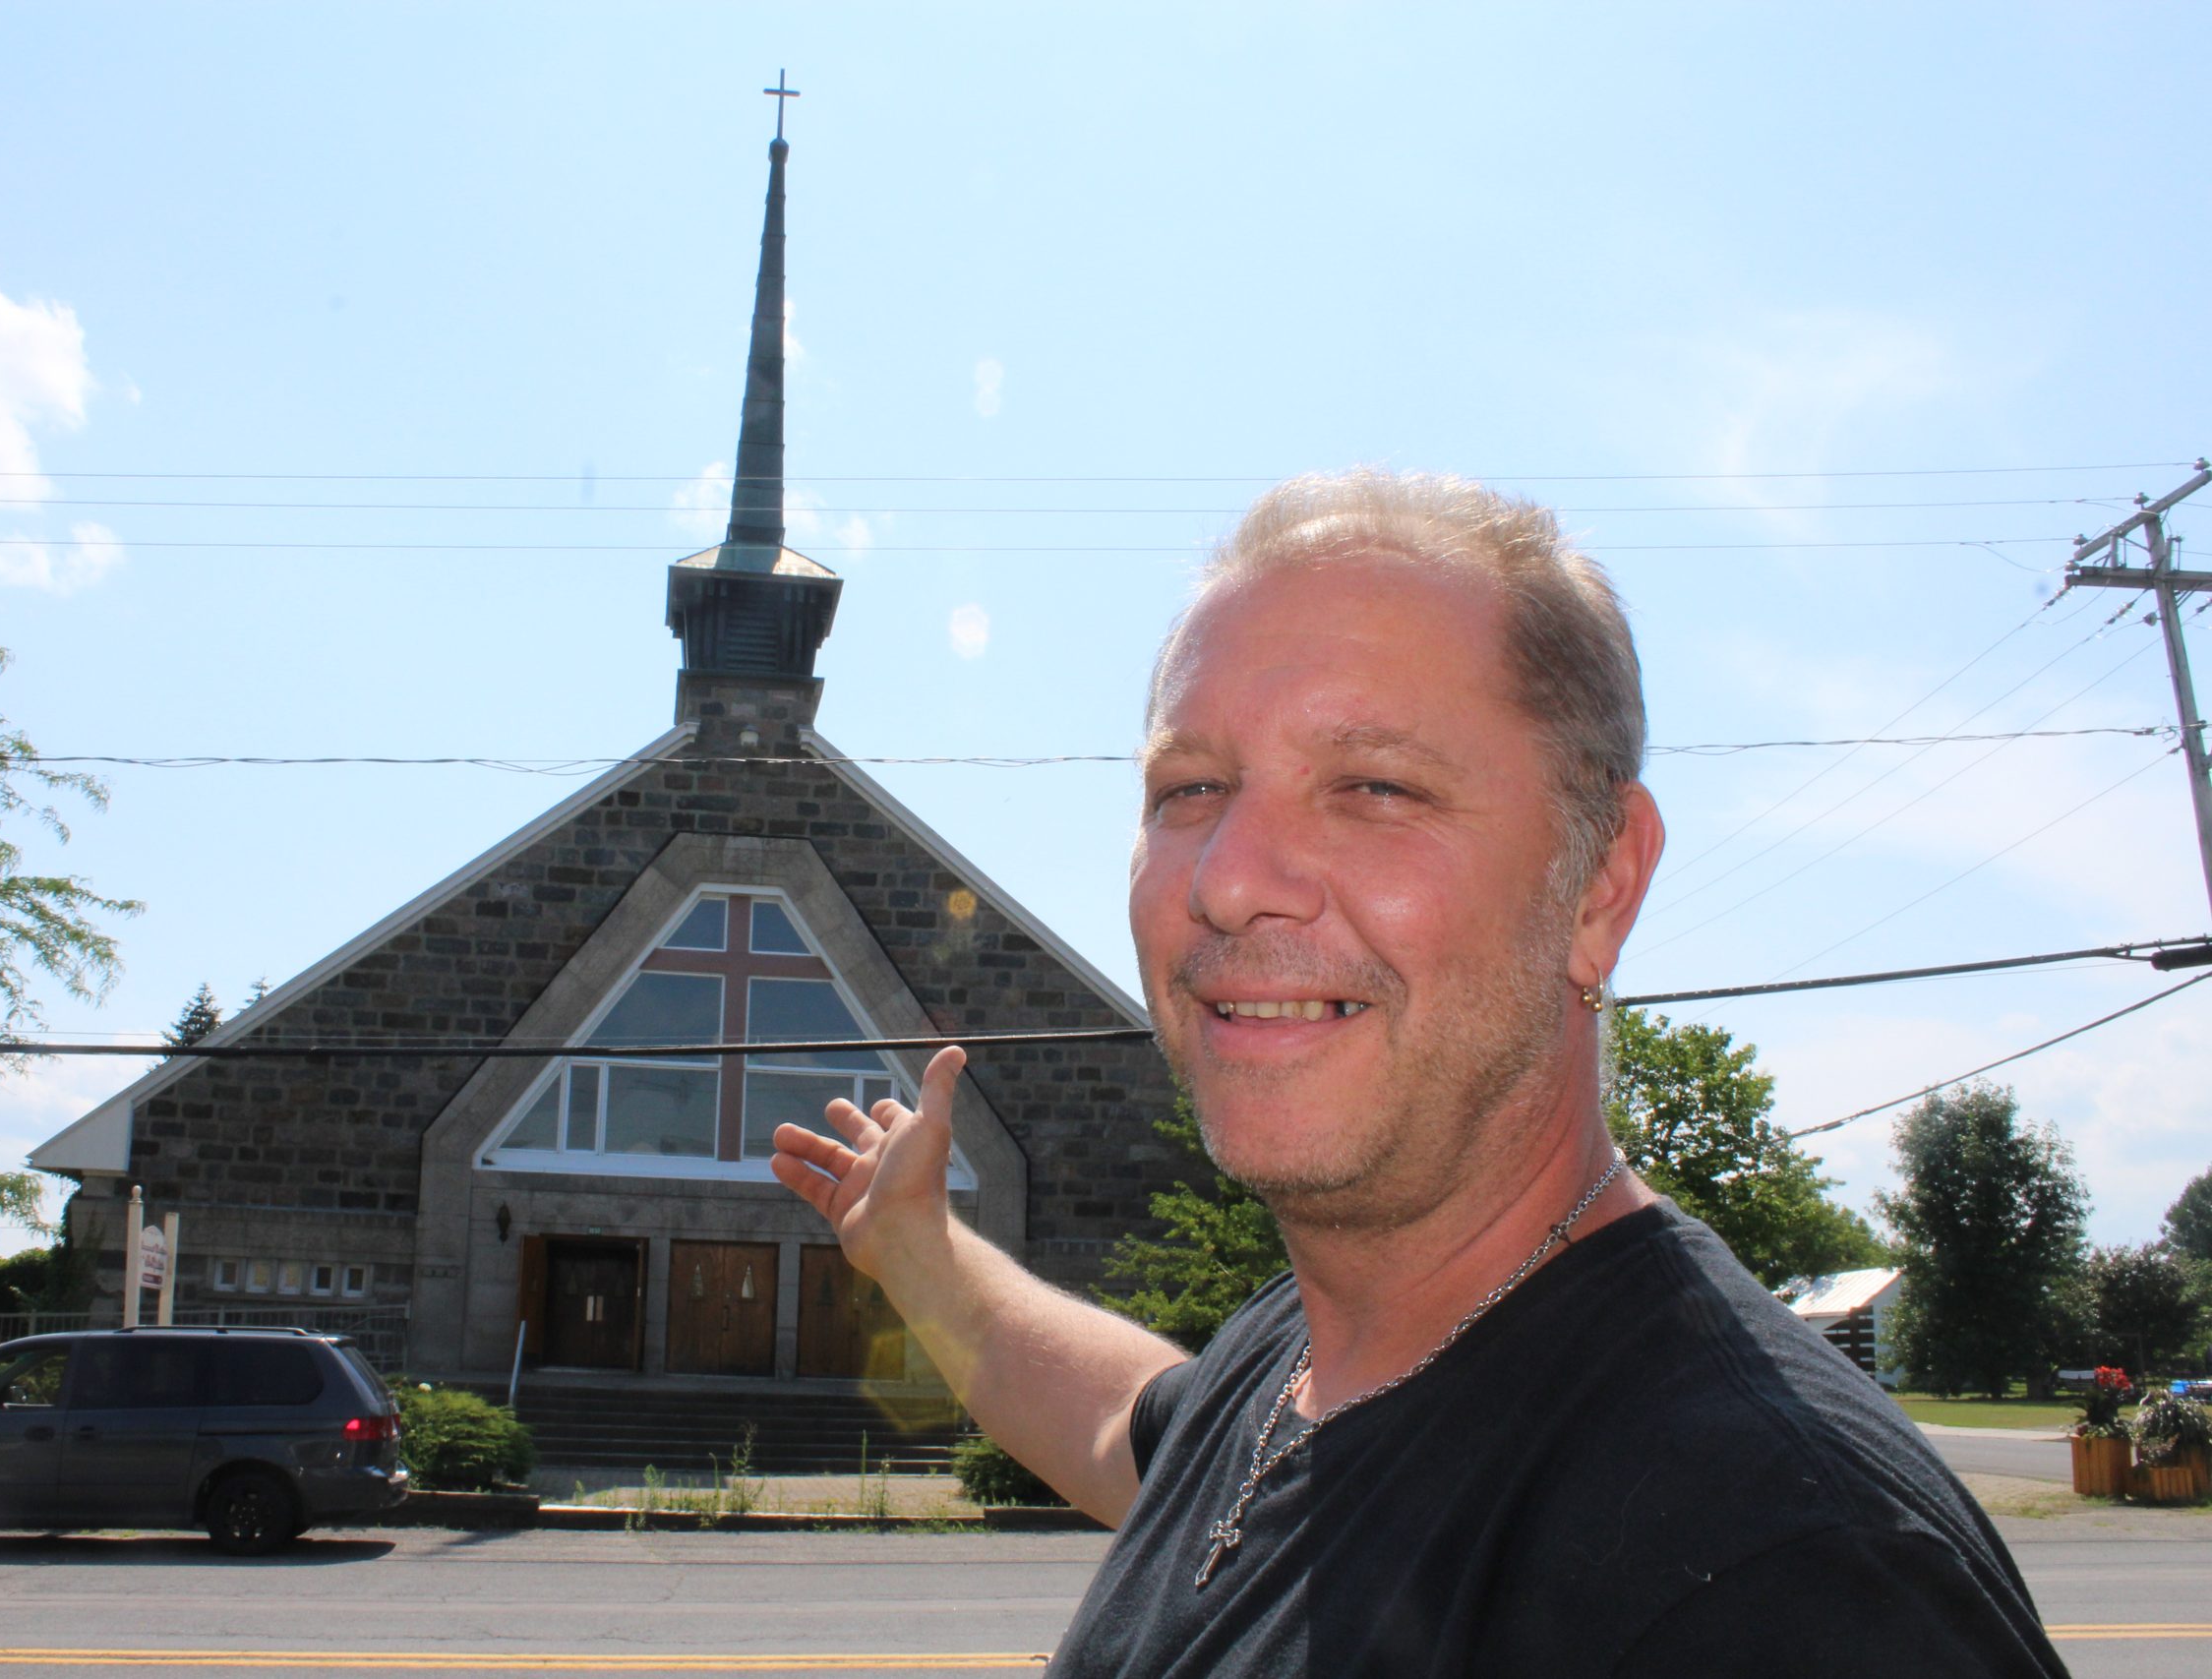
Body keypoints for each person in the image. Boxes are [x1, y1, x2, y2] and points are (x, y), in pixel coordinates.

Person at [770, 470, 2067, 1676]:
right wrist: (916, 1249)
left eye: (1376, 785)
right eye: (1191, 785)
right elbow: (1125, 1431)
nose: (1227, 878)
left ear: (1598, 884)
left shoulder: (1785, 1576)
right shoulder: (1306, 1356)